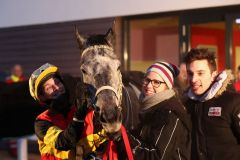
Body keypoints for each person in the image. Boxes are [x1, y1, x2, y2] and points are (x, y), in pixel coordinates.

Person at [109, 61, 191, 160]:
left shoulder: (170, 113)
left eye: (156, 82)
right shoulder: (150, 108)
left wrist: (122, 137)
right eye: (147, 80)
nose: (149, 86)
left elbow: (155, 156)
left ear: (167, 86)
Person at [184, 48, 240, 160]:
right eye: (190, 73)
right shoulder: (185, 104)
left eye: (200, 73)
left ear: (213, 75)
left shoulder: (232, 101)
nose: (194, 79)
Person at [29, 63, 88, 160]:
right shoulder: (42, 122)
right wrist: (79, 116)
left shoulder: (81, 110)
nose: (56, 88)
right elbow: (64, 142)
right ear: (42, 97)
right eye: (48, 88)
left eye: (57, 82)